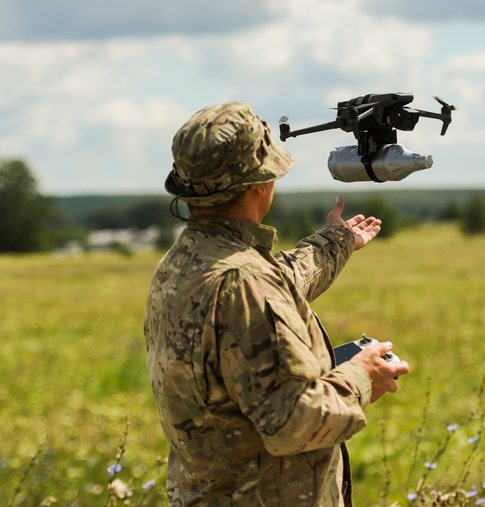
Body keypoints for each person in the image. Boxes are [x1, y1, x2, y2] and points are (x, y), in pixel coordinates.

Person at [144, 102, 409, 506]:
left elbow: (276, 280)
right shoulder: (243, 284)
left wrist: (337, 241)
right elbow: (294, 423)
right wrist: (361, 375)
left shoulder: (183, 263)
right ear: (260, 184)